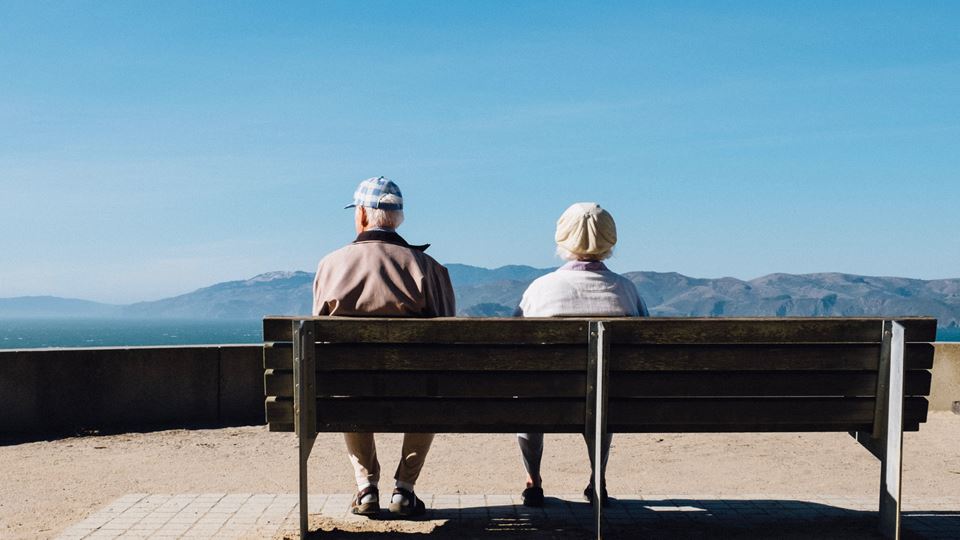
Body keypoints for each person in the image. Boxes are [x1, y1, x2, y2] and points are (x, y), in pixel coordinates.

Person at [312, 176, 456, 517]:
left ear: (362, 214)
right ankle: (404, 489)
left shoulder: (330, 265)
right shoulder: (429, 269)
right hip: (415, 390)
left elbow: (317, 338)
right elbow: (450, 338)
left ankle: (366, 488)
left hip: (353, 390)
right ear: (398, 219)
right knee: (429, 388)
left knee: (345, 385)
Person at [514, 202, 649, 508]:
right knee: (602, 396)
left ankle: (533, 481)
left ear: (561, 240)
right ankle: (597, 478)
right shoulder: (627, 291)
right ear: (610, 240)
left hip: (546, 400)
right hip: (609, 401)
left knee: (528, 398)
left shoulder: (540, 290)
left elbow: (515, 348)